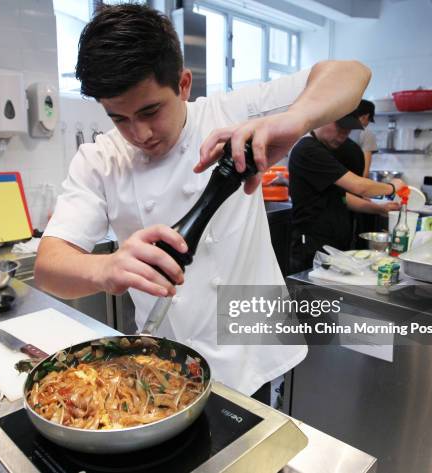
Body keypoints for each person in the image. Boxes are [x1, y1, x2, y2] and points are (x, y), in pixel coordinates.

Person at [34, 3, 371, 401]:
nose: (139, 133)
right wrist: (106, 267)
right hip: (166, 361)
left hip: (252, 348)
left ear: (183, 84)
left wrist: (295, 120)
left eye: (150, 110)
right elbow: (48, 268)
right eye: (119, 118)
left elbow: (353, 73)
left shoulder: (230, 113)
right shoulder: (100, 159)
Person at [288, 111, 404, 274]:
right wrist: (392, 186)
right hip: (312, 243)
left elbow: (342, 197)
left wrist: (380, 208)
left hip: (333, 241)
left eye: (348, 130)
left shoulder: (326, 149)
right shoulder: (307, 149)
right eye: (341, 128)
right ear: (322, 119)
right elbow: (359, 187)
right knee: (310, 295)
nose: (344, 135)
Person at [350, 99, 378, 177]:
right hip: (354, 180)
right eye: (369, 120)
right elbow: (365, 171)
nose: (368, 124)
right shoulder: (366, 133)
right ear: (366, 116)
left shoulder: (339, 129)